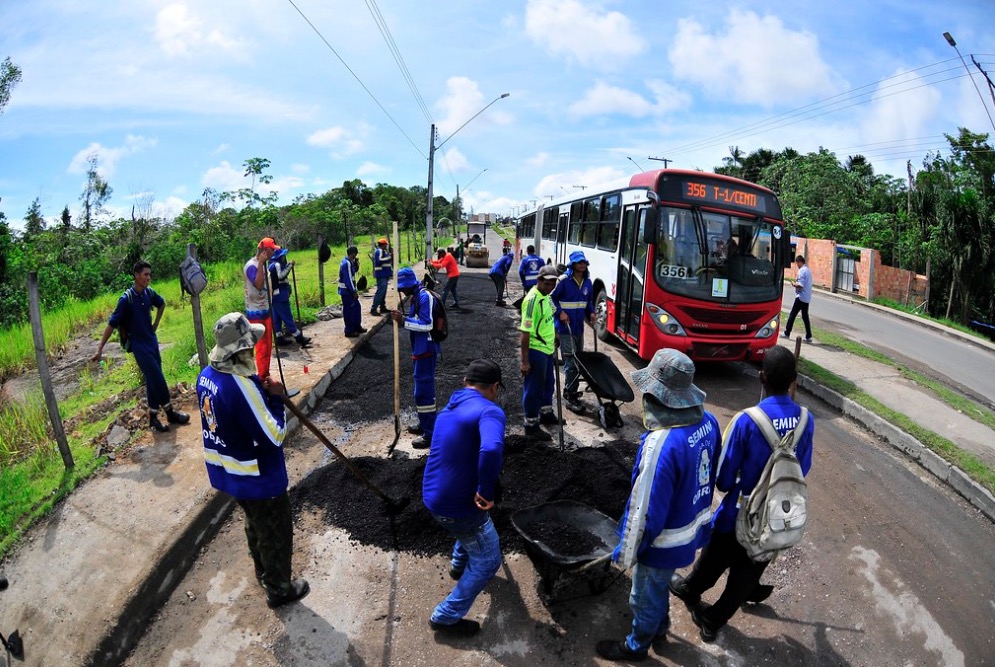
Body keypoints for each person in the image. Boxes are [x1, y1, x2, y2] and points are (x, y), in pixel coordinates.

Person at [669, 345, 815, 643]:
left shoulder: (747, 420)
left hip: (737, 513)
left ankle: (690, 589)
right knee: (747, 574)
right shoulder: (806, 420)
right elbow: (805, 467)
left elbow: (723, 479)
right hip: (775, 516)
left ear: (761, 377)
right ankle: (713, 620)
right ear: (794, 380)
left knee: (714, 559)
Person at [596, 349, 720, 662]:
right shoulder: (709, 422)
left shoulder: (661, 444)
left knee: (643, 594)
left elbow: (646, 512)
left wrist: (626, 550)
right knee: (658, 585)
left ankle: (637, 645)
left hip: (662, 542)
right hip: (689, 530)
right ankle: (661, 625)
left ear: (658, 394)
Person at [196, 313, 309, 609]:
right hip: (259, 477)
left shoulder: (206, 377)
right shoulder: (239, 388)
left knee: (255, 525)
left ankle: (263, 573)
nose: (253, 353)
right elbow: (274, 436)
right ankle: (279, 588)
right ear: (240, 352)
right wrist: (274, 397)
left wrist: (258, 390)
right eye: (249, 349)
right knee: (276, 532)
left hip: (231, 473)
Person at [422, 359, 506, 637]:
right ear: (494, 387)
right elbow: (492, 449)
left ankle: (458, 565)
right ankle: (445, 616)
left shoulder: (450, 408)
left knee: (466, 531)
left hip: (433, 495)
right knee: (488, 559)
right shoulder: (489, 411)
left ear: (465, 383)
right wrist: (485, 489)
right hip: (458, 505)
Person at [92, 260, 190, 433]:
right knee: (157, 378)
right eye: (145, 274)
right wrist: (99, 349)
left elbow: (162, 303)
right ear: (136, 275)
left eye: (149, 274)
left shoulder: (148, 293)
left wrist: (156, 324)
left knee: (153, 381)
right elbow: (111, 324)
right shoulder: (126, 299)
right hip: (139, 346)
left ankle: (153, 418)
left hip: (152, 342)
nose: (148, 278)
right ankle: (170, 413)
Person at [391, 267, 441, 449]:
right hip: (420, 350)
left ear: (411, 284)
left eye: (403, 287)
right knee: (422, 392)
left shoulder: (423, 297)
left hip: (426, 350)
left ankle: (430, 434)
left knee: (423, 394)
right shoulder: (415, 296)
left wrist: (403, 321)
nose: (402, 291)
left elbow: (427, 325)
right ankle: (425, 424)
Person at [519, 265, 562, 442]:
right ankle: (531, 425)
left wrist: (556, 334)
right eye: (547, 283)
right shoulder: (531, 301)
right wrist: (525, 361)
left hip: (548, 349)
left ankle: (546, 413)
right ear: (539, 280)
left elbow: (550, 318)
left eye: (553, 284)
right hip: (536, 350)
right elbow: (525, 333)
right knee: (534, 388)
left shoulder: (547, 297)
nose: (550, 287)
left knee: (548, 383)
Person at [550, 250, 596, 414]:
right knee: (571, 362)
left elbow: (588, 301)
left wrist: (591, 311)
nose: (582, 265)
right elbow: (551, 299)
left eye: (584, 262)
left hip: (578, 329)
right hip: (565, 328)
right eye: (579, 262)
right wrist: (559, 312)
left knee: (579, 361)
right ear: (573, 264)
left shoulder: (587, 282)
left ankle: (570, 390)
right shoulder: (563, 281)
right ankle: (570, 395)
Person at [244, 237, 279, 378]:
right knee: (262, 346)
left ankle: (265, 374)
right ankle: (262, 377)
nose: (273, 253)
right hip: (256, 313)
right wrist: (261, 263)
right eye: (272, 250)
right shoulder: (251, 265)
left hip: (266, 310)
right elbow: (258, 284)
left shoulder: (264, 264)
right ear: (265, 251)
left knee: (268, 346)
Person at [268, 249, 311, 348]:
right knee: (287, 317)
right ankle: (299, 337)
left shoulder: (270, 265)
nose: (284, 257)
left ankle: (279, 338)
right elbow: (281, 276)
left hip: (274, 296)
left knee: (277, 319)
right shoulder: (277, 265)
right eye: (283, 256)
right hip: (280, 296)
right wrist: (290, 266)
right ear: (280, 257)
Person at [782, 255, 813, 343]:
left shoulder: (802, 271)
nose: (797, 265)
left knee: (792, 314)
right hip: (806, 297)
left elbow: (801, 285)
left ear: (799, 262)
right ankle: (809, 335)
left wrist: (794, 284)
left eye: (797, 263)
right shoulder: (808, 270)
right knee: (805, 316)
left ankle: (787, 332)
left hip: (801, 296)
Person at [339, 245, 366, 338]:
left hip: (349, 291)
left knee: (356, 308)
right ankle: (349, 330)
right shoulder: (347, 263)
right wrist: (354, 291)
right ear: (353, 254)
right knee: (349, 311)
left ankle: (356, 326)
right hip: (347, 292)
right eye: (356, 254)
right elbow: (348, 279)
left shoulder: (349, 262)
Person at [371, 238, 393, 316]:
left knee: (383, 292)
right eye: (385, 245)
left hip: (385, 274)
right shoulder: (379, 251)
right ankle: (374, 309)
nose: (386, 246)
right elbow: (379, 260)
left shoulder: (383, 252)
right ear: (382, 245)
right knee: (380, 292)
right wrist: (389, 257)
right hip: (381, 274)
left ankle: (382, 307)